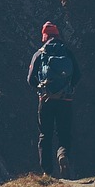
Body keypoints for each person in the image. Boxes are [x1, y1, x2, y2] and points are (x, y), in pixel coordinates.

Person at [27, 21, 81, 178]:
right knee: (64, 133)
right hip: (65, 101)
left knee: (45, 134)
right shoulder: (67, 52)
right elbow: (78, 74)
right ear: (57, 35)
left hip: (46, 100)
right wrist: (69, 89)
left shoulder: (39, 53)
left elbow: (30, 79)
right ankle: (63, 155)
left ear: (44, 36)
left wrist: (41, 89)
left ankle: (47, 172)